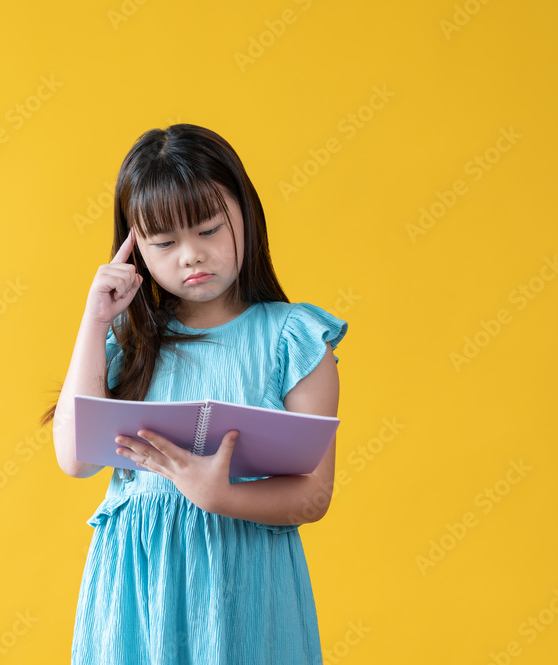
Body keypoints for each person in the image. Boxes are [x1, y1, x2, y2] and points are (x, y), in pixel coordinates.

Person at [39, 123, 347, 664]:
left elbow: (314, 495)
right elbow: (74, 458)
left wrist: (218, 495)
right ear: (133, 247)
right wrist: (94, 322)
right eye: (164, 242)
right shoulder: (129, 341)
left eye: (208, 229)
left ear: (245, 217)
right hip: (139, 592)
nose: (190, 256)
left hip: (247, 587)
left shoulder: (292, 338)